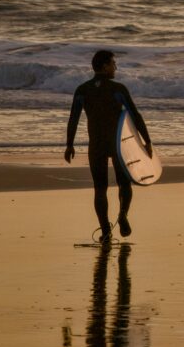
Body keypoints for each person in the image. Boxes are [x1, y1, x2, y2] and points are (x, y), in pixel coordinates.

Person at [64, 50, 153, 242]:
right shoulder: (118, 89)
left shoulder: (82, 90)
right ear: (104, 66)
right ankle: (123, 214)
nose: (116, 67)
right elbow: (135, 115)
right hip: (118, 146)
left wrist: (69, 144)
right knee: (124, 183)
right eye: (113, 63)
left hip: (96, 144)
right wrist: (147, 141)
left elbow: (73, 119)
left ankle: (105, 231)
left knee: (100, 188)